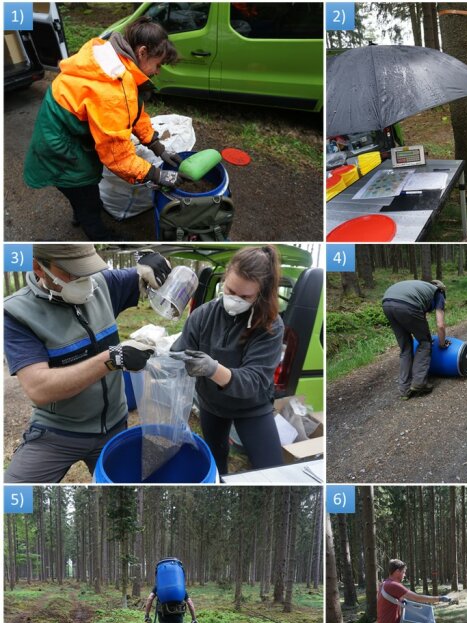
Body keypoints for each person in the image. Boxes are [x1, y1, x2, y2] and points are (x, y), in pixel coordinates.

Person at [4, 243, 172, 482]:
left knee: (124, 491)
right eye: (71, 273)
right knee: (13, 493)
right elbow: (39, 388)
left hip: (114, 426)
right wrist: (112, 358)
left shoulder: (102, 284)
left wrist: (155, 264)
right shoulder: (16, 313)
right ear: (39, 268)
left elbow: (147, 273)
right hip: (58, 432)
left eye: (86, 270)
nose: (83, 279)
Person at [23, 18, 183, 241]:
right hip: (61, 147)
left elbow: (133, 111)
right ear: (143, 51)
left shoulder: (111, 55)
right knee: (86, 194)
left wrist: (156, 145)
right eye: (158, 64)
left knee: (83, 193)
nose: (157, 71)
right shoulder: (113, 89)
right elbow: (118, 157)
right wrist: (157, 174)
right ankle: (99, 235)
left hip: (60, 132)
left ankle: (81, 212)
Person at [170, 246, 284, 476]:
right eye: (230, 290)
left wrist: (212, 369)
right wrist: (162, 357)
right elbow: (179, 353)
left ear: (261, 294)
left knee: (272, 470)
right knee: (215, 461)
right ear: (224, 279)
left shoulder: (271, 325)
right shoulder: (202, 315)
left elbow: (254, 381)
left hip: (252, 406)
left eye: (245, 297)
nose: (234, 299)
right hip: (212, 404)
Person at [381, 279, 449, 400]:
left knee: (405, 347)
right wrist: (442, 344)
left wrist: (423, 333)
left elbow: (418, 318)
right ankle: (419, 383)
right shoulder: (438, 293)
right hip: (407, 305)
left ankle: (404, 390)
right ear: (442, 290)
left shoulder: (420, 289)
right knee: (425, 343)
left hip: (387, 302)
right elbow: (440, 325)